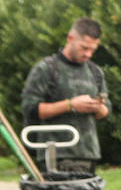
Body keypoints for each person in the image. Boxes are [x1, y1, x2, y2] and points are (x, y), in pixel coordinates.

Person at [20, 18, 110, 174]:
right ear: (71, 38)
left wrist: (98, 107)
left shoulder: (95, 72)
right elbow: (30, 108)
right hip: (55, 154)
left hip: (88, 154)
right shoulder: (47, 69)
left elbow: (106, 111)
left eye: (92, 50)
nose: (88, 54)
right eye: (84, 48)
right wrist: (71, 105)